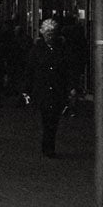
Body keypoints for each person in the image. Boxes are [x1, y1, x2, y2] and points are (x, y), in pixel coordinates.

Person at [28, 17, 69, 157]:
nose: (49, 36)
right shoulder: (37, 50)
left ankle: (49, 145)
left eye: (52, 34)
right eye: (47, 34)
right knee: (47, 118)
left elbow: (67, 69)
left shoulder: (61, 49)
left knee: (54, 118)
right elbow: (30, 69)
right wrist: (27, 89)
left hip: (56, 88)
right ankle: (48, 146)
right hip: (43, 88)